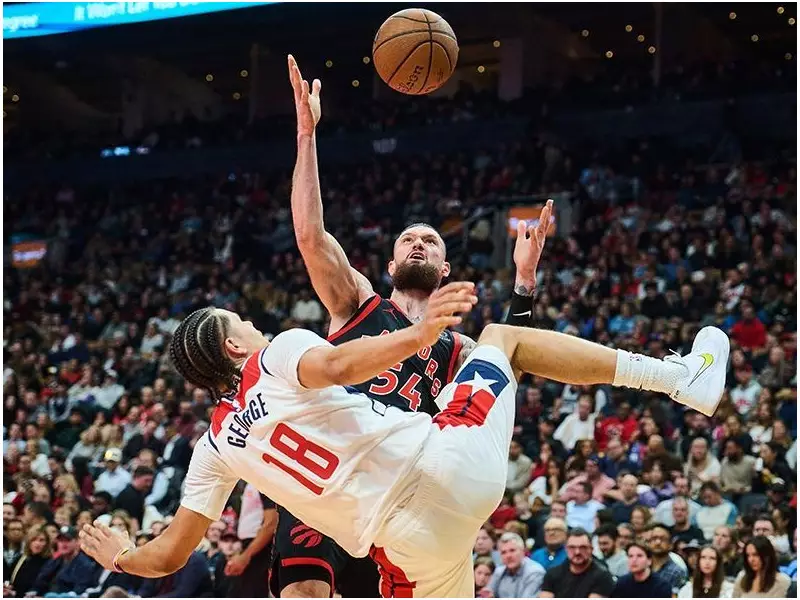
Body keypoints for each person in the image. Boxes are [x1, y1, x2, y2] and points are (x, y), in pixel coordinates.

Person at [78, 294, 729, 598]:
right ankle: (679, 377)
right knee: (505, 338)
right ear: (234, 345)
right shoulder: (275, 354)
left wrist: (122, 555)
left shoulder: (215, 445)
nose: (252, 323)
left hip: (412, 548)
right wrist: (420, 333)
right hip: (445, 463)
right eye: (240, 321)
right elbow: (338, 366)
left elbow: (167, 556)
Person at [274, 54, 551, 599]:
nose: (418, 243)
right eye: (408, 240)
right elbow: (310, 235)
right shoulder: (357, 301)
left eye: (430, 241)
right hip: (327, 469)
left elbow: (511, 369)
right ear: (390, 266)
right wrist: (307, 135)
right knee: (305, 590)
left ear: (445, 269)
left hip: (397, 495)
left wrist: (523, 284)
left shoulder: (458, 347)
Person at [539, 528, 615, 598]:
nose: (577, 552)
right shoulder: (552, 574)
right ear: (566, 549)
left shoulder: (603, 576)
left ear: (591, 549)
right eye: (572, 547)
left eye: (583, 547)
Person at [481, 532, 545, 598]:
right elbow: (488, 593)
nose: (508, 556)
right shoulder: (499, 571)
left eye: (512, 550)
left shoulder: (535, 573)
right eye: (503, 552)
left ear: (523, 551)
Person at [3, 526, 51, 598]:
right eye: (34, 540)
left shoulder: (51, 562)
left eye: (41, 540)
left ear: (47, 543)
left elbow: (43, 587)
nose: (37, 543)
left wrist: (16, 593)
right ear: (28, 542)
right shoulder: (21, 559)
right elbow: (8, 578)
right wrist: (7, 586)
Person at [647, 523, 688, 593]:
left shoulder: (677, 572)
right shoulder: (643, 567)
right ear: (649, 542)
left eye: (662, 539)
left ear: (671, 545)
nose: (658, 542)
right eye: (654, 538)